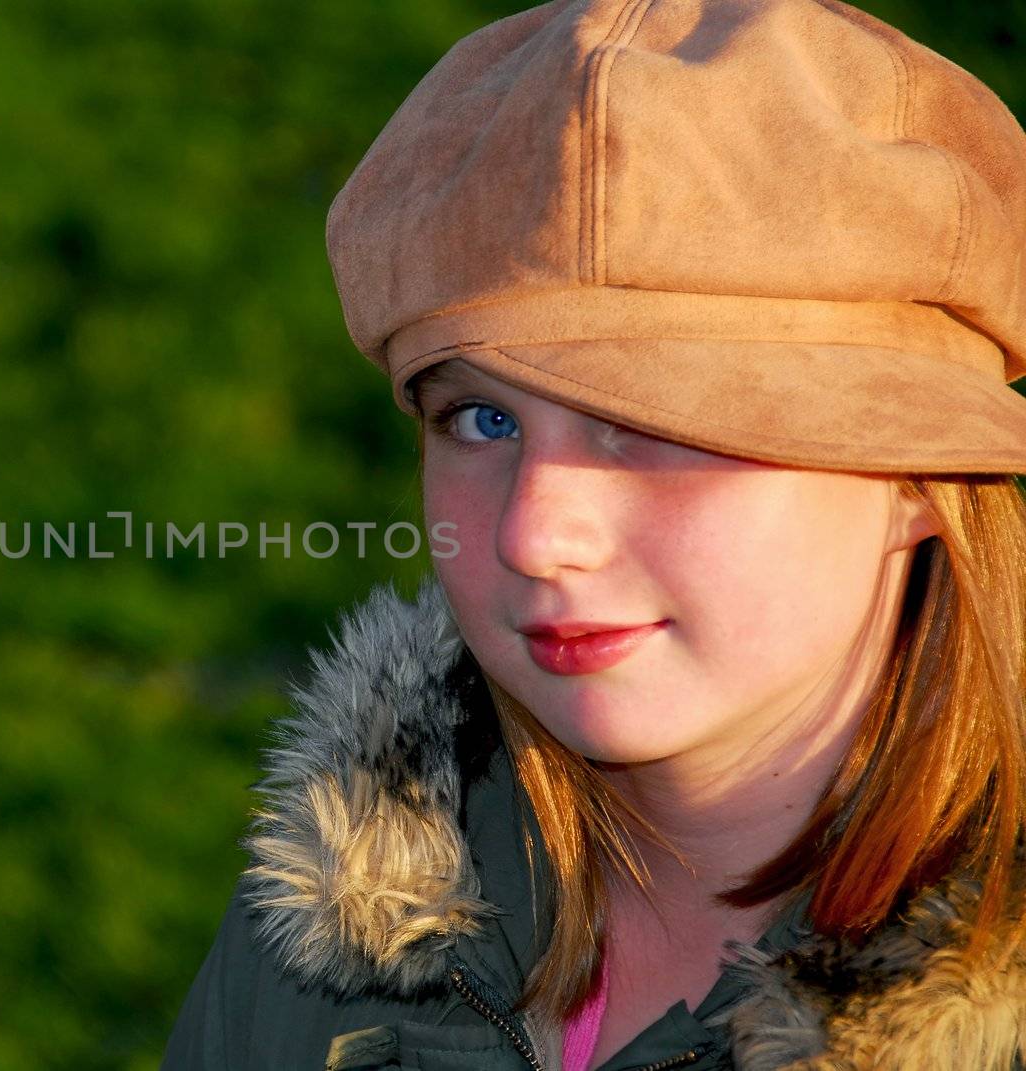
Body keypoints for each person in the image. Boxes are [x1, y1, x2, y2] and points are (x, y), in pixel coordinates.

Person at [160, 0, 1026, 1068]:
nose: (535, 533)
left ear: (916, 472)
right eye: (481, 419)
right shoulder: (327, 934)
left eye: (654, 423)